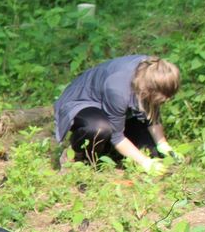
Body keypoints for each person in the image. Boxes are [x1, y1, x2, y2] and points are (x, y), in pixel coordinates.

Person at [53, 55, 181, 173]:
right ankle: (76, 154)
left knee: (151, 151)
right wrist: (145, 162)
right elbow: (117, 137)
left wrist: (162, 144)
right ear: (148, 89)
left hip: (118, 109)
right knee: (99, 129)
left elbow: (152, 114)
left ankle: (107, 150)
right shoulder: (118, 88)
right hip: (85, 102)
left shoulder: (152, 71)